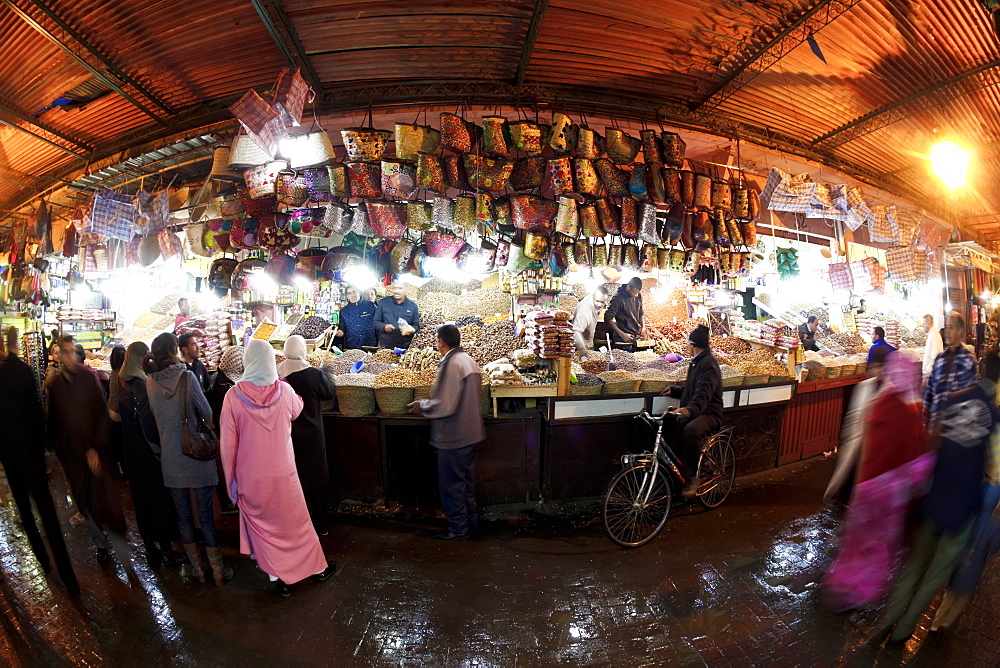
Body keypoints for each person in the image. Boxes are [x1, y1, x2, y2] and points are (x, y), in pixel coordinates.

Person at [878, 347, 997, 643]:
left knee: (915, 564)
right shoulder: (995, 418)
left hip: (934, 495)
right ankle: (903, 632)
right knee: (933, 577)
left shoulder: (954, 400)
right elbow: (994, 472)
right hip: (963, 508)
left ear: (980, 370)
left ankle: (887, 620)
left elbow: (932, 444)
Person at [220, 339, 335, 597]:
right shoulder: (284, 392)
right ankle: (315, 568)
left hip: (251, 477)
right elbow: (298, 409)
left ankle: (281, 578)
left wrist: (231, 484)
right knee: (296, 523)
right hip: (284, 474)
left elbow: (227, 447)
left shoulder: (232, 396)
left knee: (265, 529)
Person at [821, 349, 933, 612]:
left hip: (867, 486)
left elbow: (868, 444)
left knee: (857, 539)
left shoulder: (880, 403)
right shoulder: (914, 409)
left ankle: (841, 583)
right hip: (891, 495)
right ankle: (861, 590)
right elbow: (917, 460)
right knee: (878, 545)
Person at [146, 332, 232, 586]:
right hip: (195, 454)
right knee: (205, 515)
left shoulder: (149, 384)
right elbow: (206, 413)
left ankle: (198, 570)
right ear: (174, 351)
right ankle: (217, 571)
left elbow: (153, 421)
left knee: (183, 517)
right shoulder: (187, 377)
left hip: (170, 459)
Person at [0, 328, 79, 593]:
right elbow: (37, 415)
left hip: (10, 459)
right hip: (31, 456)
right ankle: (69, 578)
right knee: (48, 515)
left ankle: (44, 564)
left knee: (26, 514)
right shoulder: (21, 371)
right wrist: (41, 447)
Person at [47, 335, 128, 565]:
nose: (71, 356)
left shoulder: (89, 380)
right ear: (60, 356)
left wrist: (95, 446)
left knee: (106, 502)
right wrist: (60, 451)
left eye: (73, 351)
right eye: (66, 352)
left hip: (96, 456)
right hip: (73, 460)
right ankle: (100, 544)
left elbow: (102, 415)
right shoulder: (56, 386)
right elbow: (53, 423)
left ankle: (121, 548)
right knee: (86, 504)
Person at [408, 324, 486, 540]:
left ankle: (458, 529)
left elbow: (445, 405)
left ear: (441, 341)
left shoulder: (451, 364)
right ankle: (472, 521)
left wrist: (421, 406)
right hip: (472, 433)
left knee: (452, 485)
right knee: (466, 483)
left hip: (455, 436)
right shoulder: (469, 361)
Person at [111, 342, 183, 569]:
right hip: (148, 452)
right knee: (159, 501)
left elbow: (114, 418)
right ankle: (168, 553)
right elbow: (150, 421)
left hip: (131, 453)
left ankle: (151, 551)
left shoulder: (117, 382)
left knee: (141, 502)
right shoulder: (144, 384)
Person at [278, 335, 336, 535]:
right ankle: (320, 526)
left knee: (294, 481)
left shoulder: (277, 372)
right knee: (317, 480)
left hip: (287, 436)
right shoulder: (313, 374)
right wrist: (326, 373)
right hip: (312, 435)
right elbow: (329, 393)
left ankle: (297, 527)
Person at [659, 324, 723, 497]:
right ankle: (674, 475)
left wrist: (689, 410)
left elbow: (704, 394)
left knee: (691, 430)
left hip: (709, 413)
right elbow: (692, 389)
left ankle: (692, 478)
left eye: (688, 344)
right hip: (697, 410)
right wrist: (675, 390)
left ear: (693, 345)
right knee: (670, 426)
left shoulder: (708, 363)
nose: (687, 347)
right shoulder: (697, 362)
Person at [925, 311, 978, 428]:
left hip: (957, 428)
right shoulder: (940, 359)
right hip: (935, 425)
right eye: (947, 327)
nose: (947, 331)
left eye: (951, 328)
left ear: (960, 332)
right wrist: (926, 419)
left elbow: (970, 398)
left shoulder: (968, 361)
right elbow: (930, 392)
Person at [373, 282, 420, 350]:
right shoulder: (383, 303)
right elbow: (375, 322)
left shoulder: (413, 306)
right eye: (394, 288)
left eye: (400, 288)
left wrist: (411, 329)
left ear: (406, 289)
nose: (396, 291)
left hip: (405, 347)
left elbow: (416, 325)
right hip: (386, 346)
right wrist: (384, 327)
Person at [605, 277, 645, 348]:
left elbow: (641, 312)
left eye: (637, 293)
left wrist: (643, 327)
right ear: (629, 287)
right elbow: (608, 318)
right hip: (622, 337)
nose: (636, 295)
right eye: (634, 292)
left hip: (634, 335)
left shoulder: (638, 295)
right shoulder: (618, 299)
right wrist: (622, 334)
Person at [335, 285, 377, 350]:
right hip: (352, 346)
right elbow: (342, 330)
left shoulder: (370, 305)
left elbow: (378, 324)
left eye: (354, 291)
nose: (352, 295)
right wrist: (335, 333)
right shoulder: (344, 311)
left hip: (370, 345)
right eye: (349, 293)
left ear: (359, 292)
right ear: (347, 296)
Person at [107, 344, 127, 476]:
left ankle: (115, 467)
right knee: (123, 444)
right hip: (119, 414)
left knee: (115, 443)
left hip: (111, 411)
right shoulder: (123, 375)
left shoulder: (113, 374)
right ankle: (124, 470)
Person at [573, 286, 609, 358]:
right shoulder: (584, 311)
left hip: (588, 341)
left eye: (602, 302)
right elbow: (575, 331)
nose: (599, 304)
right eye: (597, 301)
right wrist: (582, 348)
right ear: (593, 296)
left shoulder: (597, 301)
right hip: (579, 343)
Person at [922, 314, 944, 379]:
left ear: (928, 324)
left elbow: (935, 357)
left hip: (932, 375)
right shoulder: (932, 335)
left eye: (923, 324)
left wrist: (928, 375)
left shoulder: (934, 336)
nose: (923, 326)